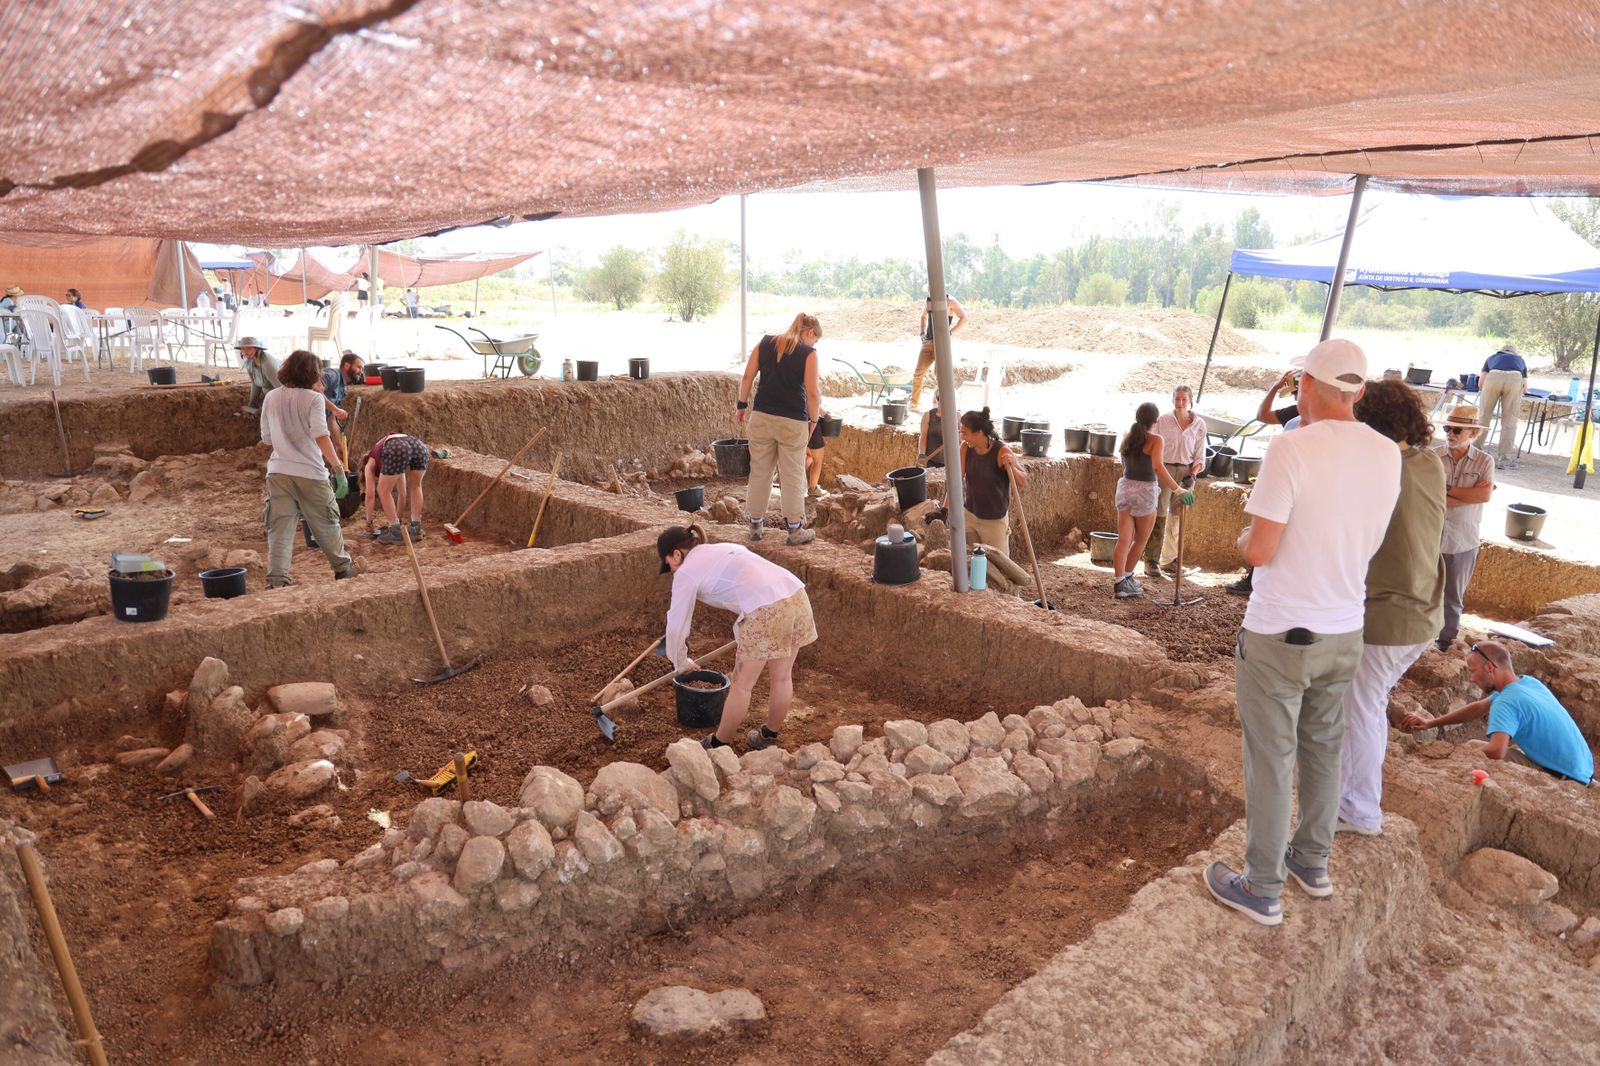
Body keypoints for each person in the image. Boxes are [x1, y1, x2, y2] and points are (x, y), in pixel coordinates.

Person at [1204, 339, 1400, 927]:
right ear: (1359, 391)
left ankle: (1261, 885)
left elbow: (1260, 550)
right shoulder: (1388, 454)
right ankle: (1311, 862)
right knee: (1323, 745)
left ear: (1305, 386)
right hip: (1345, 631)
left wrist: (1241, 540)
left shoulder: (1291, 449)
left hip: (1281, 632)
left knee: (1271, 756)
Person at [1336, 379, 1446, 836]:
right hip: (1424, 613)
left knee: (1359, 708)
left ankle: (1359, 810)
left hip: (1390, 616)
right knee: (1369, 702)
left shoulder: (1379, 472)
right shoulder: (1429, 462)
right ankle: (1352, 798)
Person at [658, 524, 817, 752]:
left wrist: (680, 661)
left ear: (676, 553)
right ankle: (769, 736)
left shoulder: (686, 572)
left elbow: (676, 624)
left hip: (765, 609)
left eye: (668, 564)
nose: (671, 570)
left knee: (742, 685)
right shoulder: (723, 548)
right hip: (795, 594)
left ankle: (718, 743)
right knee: (782, 677)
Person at [1401, 643, 1593, 785]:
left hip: (1564, 777)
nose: (1472, 679)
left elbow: (1496, 751)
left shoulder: (1506, 702)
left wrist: (1455, 755)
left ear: (1490, 668)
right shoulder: (1527, 682)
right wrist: (1430, 722)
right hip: (1583, 768)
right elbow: (1478, 707)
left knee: (1472, 753)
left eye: (1473, 672)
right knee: (1476, 746)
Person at [260, 350, 359, 588]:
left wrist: (288, 436)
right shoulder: (313, 399)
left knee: (280, 527)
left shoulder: (271, 397)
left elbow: (266, 438)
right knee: (326, 522)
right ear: (311, 373)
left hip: (278, 472)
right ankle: (344, 570)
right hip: (311, 473)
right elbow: (320, 434)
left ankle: (277, 579)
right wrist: (337, 468)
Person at [736, 313, 822, 546]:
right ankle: (794, 530)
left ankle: (755, 526)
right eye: (815, 340)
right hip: (792, 422)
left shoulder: (765, 343)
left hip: (762, 416)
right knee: (792, 474)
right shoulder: (809, 354)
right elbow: (812, 393)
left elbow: (747, 376)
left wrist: (741, 405)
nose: (814, 344)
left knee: (760, 471)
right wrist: (814, 420)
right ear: (810, 333)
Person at [1229, 369, 1307, 597]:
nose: (1296, 397)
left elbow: (1262, 415)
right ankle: (1256, 579)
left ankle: (1259, 581)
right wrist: (1274, 388)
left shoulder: (1295, 419)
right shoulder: (1295, 413)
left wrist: (1275, 387)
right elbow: (1262, 415)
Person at [1111, 402, 1193, 599]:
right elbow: (1157, 466)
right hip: (1145, 491)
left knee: (1124, 539)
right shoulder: (1156, 440)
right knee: (1141, 539)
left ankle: (1120, 581)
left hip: (1125, 488)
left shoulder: (1127, 438)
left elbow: (1125, 465)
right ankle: (1127, 578)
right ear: (1156, 421)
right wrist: (1178, 489)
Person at [1435, 404, 1495, 651]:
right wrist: (1466, 494)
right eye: (1448, 428)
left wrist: (1444, 491)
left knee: (1452, 598)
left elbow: (1484, 496)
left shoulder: (1484, 461)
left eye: (1457, 430)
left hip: (1462, 540)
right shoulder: (1433, 456)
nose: (1450, 434)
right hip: (1431, 537)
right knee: (1423, 592)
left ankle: (1445, 643)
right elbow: (1426, 494)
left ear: (1473, 433)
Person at [1143, 385, 1207, 580]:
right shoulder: (1162, 421)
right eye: (1177, 399)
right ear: (1172, 401)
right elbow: (1150, 443)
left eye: (1184, 400)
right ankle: (1151, 560)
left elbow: (1200, 453)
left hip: (1187, 471)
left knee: (1178, 517)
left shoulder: (1199, 424)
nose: (1180, 403)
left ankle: (1170, 559)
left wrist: (1193, 474)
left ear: (1190, 401)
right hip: (1165, 469)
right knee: (1160, 513)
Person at [957, 407, 1026, 550]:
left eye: (965, 433)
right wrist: (944, 510)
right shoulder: (965, 448)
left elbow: (1023, 481)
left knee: (999, 566)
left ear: (978, 433)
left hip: (994, 522)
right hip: (970, 515)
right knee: (972, 563)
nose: (962, 437)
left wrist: (1012, 466)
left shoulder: (1001, 451)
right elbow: (956, 481)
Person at [362, 432, 429, 543]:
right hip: (419, 446)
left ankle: (394, 533)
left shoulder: (369, 463)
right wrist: (398, 519)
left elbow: (370, 496)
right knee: (416, 486)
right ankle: (415, 528)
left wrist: (369, 523)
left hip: (397, 447)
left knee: (382, 490)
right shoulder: (388, 455)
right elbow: (402, 494)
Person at [911, 292, 967, 409]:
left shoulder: (950, 301)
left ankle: (936, 405)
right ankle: (914, 403)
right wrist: (922, 333)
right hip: (928, 342)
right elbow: (923, 316)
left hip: (941, 343)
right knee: (918, 372)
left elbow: (964, 318)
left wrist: (950, 332)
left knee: (940, 375)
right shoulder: (929, 300)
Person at [1478, 344, 1527, 469]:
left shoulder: (1492, 358)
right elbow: (1525, 388)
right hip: (1515, 378)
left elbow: (1481, 382)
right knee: (1509, 421)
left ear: (1500, 352)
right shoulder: (1520, 360)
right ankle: (1504, 459)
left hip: (1493, 377)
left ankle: (1474, 453)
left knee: (1484, 417)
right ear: (1514, 353)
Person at [237, 336, 278, 412]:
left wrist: (268, 406)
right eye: (243, 348)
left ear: (256, 349)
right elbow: (255, 383)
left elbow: (282, 390)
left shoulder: (268, 365)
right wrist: (251, 404)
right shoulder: (249, 363)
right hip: (269, 395)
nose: (245, 352)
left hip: (281, 396)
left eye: (249, 348)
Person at [804, 408, 830, 499]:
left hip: (800, 421)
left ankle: (794, 482)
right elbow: (812, 399)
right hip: (812, 422)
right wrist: (826, 414)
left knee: (809, 456)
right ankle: (813, 489)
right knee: (817, 460)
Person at [917, 394, 947, 469]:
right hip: (931, 460)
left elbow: (960, 438)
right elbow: (923, 437)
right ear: (938, 400)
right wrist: (922, 455)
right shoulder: (928, 415)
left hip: (949, 461)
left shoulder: (956, 416)